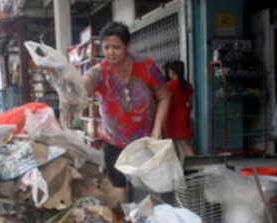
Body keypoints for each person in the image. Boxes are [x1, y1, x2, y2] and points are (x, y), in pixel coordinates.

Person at [83, 21, 171, 202]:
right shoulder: (101, 71)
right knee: (117, 189)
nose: (110, 52)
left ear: (127, 47)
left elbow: (164, 97)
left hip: (144, 140)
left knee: (148, 188)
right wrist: (71, 79)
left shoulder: (146, 67)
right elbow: (84, 84)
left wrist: (157, 129)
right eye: (106, 47)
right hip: (113, 139)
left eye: (116, 47)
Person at [162, 60, 195, 157]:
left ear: (172, 71)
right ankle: (194, 164)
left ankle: (175, 167)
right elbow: (191, 104)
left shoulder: (168, 86)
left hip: (171, 116)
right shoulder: (188, 86)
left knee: (170, 143)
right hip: (184, 114)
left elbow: (165, 102)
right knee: (184, 143)